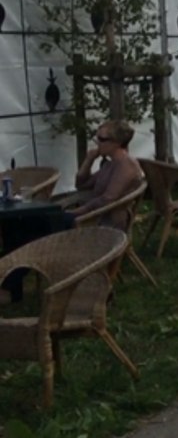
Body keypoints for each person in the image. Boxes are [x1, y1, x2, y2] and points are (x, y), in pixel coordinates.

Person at [1, 119, 142, 305]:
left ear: (116, 142)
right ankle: (11, 285)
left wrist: (80, 212)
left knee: (31, 233)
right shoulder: (110, 164)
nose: (97, 142)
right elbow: (81, 184)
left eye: (102, 139)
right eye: (97, 137)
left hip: (103, 222)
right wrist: (89, 159)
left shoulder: (126, 165)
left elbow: (108, 199)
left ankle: (8, 284)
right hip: (89, 215)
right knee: (19, 225)